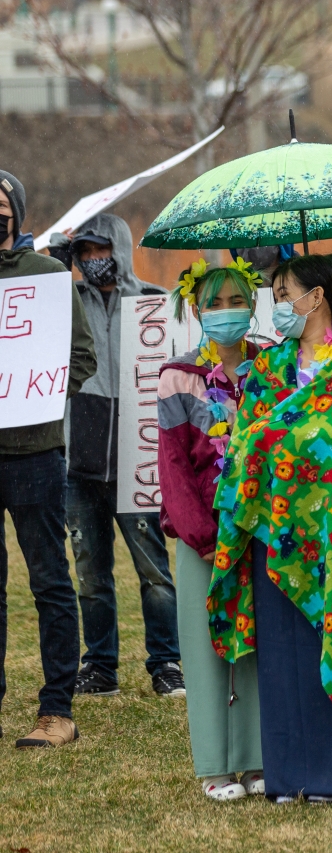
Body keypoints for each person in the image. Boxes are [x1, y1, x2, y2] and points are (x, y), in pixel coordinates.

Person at [208, 254, 332, 802]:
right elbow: (245, 445)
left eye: (284, 292)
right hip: (277, 534)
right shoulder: (267, 370)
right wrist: (278, 442)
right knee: (284, 661)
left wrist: (283, 441)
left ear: (316, 298)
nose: (277, 305)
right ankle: (288, 777)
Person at [157, 258, 265, 799]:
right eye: (215, 303)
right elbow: (173, 463)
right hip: (204, 533)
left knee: (257, 647)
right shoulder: (178, 375)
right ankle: (215, 767)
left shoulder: (271, 363)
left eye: (236, 301)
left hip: (263, 530)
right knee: (205, 648)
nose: (227, 313)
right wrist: (203, 534)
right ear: (196, 310)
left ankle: (257, 759)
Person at [64, 213, 183, 698]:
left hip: (139, 455)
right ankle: (99, 666)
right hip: (80, 455)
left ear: (119, 248)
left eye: (101, 249)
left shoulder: (155, 302)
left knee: (154, 571)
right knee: (90, 572)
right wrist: (53, 270)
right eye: (85, 252)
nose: (94, 260)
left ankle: (166, 663)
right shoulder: (66, 300)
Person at [0, 169, 95, 748]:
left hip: (34, 453)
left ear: (18, 212)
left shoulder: (47, 276)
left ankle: (57, 710)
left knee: (49, 582)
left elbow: (79, 357)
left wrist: (36, 395)